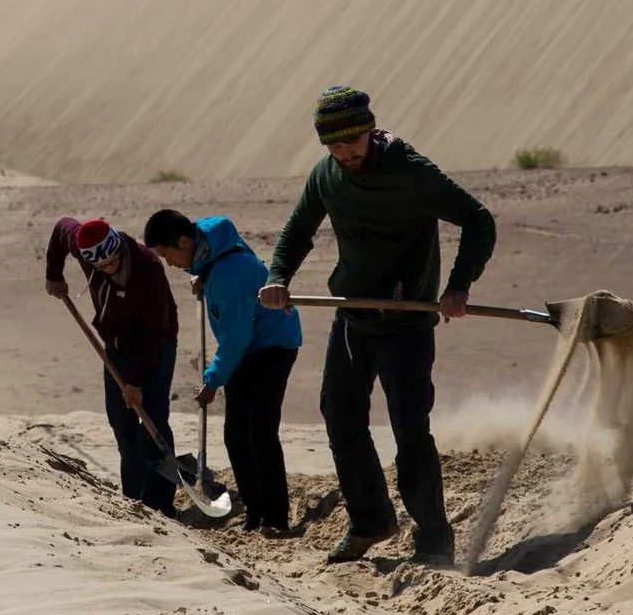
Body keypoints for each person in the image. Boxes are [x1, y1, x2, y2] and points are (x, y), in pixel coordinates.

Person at [260, 86, 496, 568]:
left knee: (410, 430)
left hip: (405, 324)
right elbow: (298, 229)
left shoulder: (410, 171)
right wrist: (278, 277)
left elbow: (477, 220)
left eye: (352, 142)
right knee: (340, 416)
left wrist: (458, 285)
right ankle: (370, 520)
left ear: (370, 130)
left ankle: (433, 536)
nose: (344, 153)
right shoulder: (327, 175)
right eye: (333, 145)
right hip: (353, 316)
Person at [144, 209, 301, 535]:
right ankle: (255, 514)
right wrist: (201, 272)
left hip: (273, 343)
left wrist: (212, 380)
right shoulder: (208, 240)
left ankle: (275, 517)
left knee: (260, 431)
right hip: (246, 345)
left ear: (184, 242)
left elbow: (236, 338)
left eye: (168, 255)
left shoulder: (230, 275)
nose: (169, 263)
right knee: (236, 435)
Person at [45, 216, 179, 516]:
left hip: (156, 346)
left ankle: (160, 503)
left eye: (111, 263)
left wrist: (136, 382)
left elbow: (155, 335)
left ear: (118, 248)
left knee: (153, 421)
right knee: (123, 425)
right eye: (100, 267)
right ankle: (135, 499)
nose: (107, 269)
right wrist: (53, 274)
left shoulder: (148, 269)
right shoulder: (85, 247)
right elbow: (61, 227)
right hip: (116, 347)